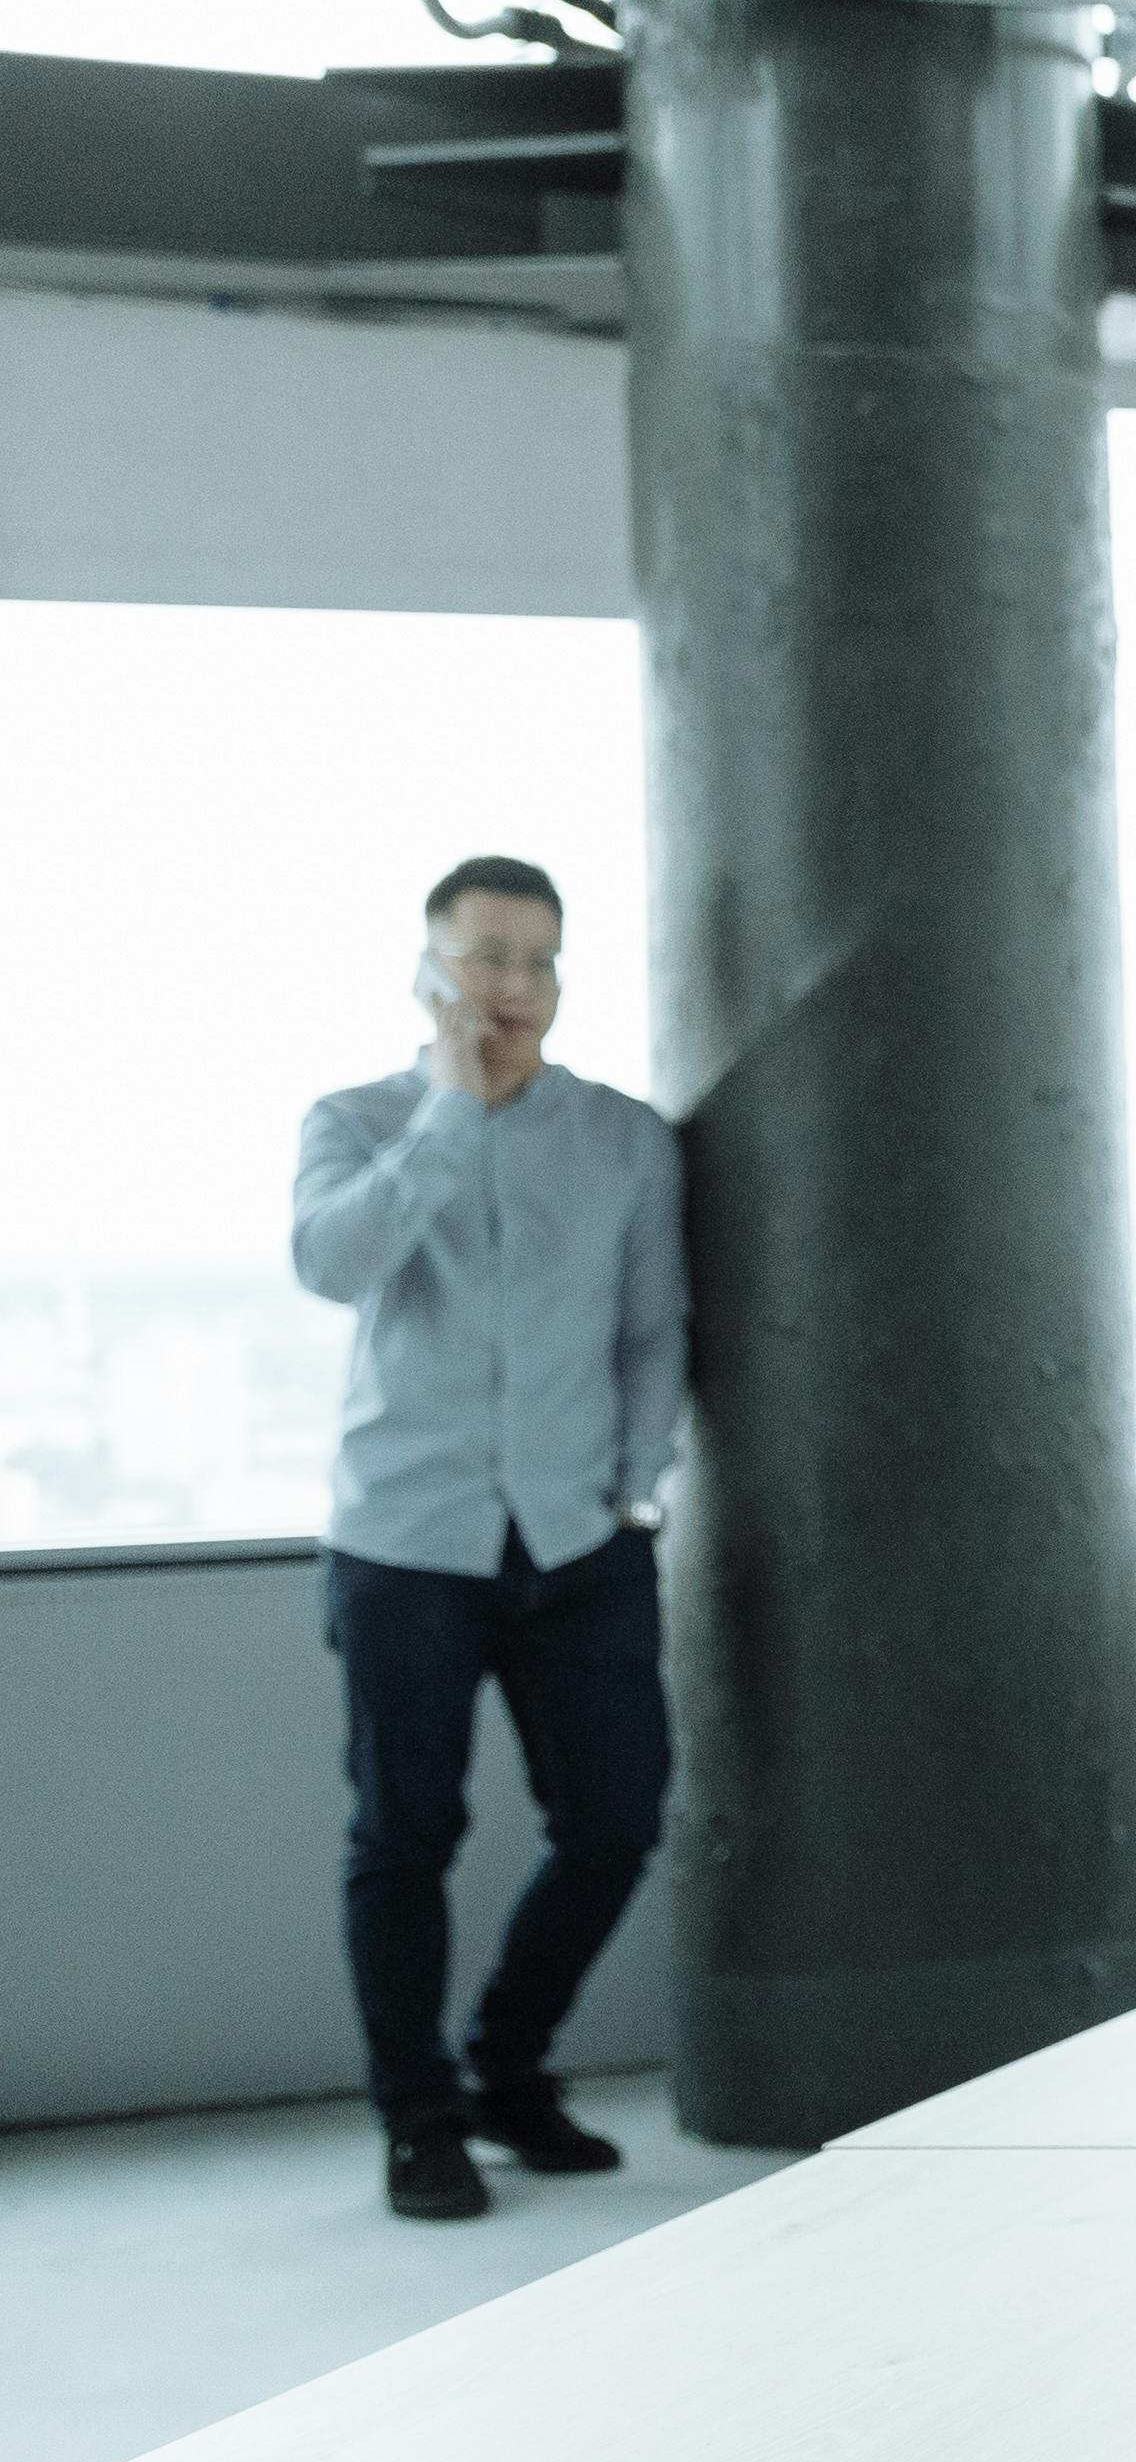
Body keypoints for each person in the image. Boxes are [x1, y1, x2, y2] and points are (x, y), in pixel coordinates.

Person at [291, 855, 683, 2222]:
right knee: (404, 1834)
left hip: (581, 1541)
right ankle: (422, 2119)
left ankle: (507, 2063)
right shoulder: (357, 1121)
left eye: (537, 962)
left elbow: (654, 1333)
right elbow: (330, 1262)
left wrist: (633, 1493)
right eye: (485, 957)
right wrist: (451, 1119)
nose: (512, 987)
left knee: (619, 1819)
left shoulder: (625, 1138)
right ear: (429, 968)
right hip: (406, 1541)